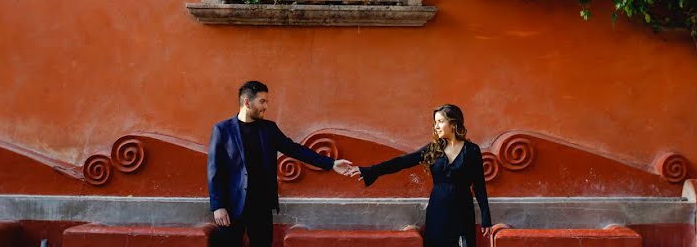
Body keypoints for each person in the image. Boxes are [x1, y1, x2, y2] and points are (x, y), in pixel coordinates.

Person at [207, 80, 356, 247]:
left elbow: (294, 149)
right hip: (232, 207)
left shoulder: (269, 129)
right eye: (262, 101)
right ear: (247, 102)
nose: (266, 106)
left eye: (267, 101)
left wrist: (331, 163)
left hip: (261, 206)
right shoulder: (222, 130)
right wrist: (218, 206)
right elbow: (215, 170)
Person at [352, 104, 492, 247]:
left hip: (462, 210)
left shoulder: (472, 151)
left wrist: (486, 218)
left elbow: (479, 186)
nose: (436, 126)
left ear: (453, 123)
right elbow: (402, 162)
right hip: (438, 208)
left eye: (440, 122)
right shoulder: (433, 149)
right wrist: (370, 171)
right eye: (435, 122)